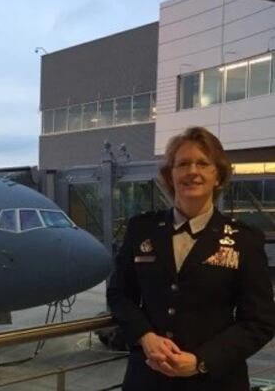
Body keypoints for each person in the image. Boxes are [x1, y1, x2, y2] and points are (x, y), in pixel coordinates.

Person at [107, 126, 275, 390]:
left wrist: (201, 361)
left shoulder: (244, 239)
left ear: (217, 176)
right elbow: (119, 294)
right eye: (182, 164)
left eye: (203, 163)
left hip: (215, 381)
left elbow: (259, 321)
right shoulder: (141, 229)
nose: (192, 171)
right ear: (170, 175)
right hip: (147, 379)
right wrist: (145, 336)